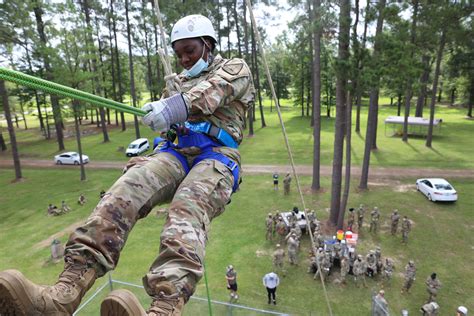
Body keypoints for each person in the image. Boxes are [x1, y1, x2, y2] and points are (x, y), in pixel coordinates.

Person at [0, 14, 255, 315]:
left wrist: (172, 106)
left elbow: (214, 92)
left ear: (208, 45)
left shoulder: (234, 69)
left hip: (216, 156)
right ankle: (65, 291)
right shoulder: (175, 84)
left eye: (190, 50)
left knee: (187, 209)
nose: (185, 59)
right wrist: (159, 132)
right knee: (125, 190)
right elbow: (168, 130)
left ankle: (165, 307)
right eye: (179, 54)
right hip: (174, 153)